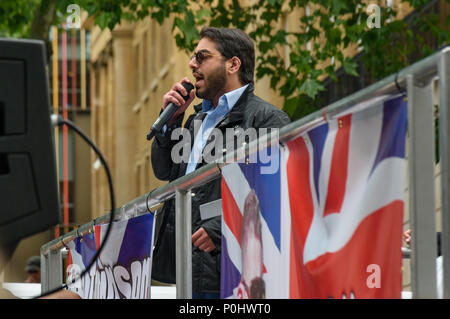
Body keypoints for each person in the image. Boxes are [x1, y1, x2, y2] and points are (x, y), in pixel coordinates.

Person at [150, 27, 290, 298]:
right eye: (193, 57)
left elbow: (275, 193)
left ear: (233, 64)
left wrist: (219, 227)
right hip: (188, 266)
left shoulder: (265, 119)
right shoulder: (196, 120)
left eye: (202, 57)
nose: (192, 64)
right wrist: (171, 121)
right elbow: (163, 170)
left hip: (231, 265)